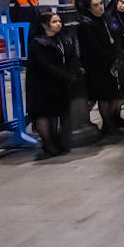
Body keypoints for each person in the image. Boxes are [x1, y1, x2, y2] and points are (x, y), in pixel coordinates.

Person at [27, 10, 81, 157]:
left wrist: (71, 71)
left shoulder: (61, 38)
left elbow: (71, 57)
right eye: (54, 22)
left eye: (59, 21)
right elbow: (45, 65)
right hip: (42, 84)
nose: (58, 24)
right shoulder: (38, 42)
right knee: (44, 113)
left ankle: (55, 141)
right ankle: (48, 143)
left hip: (59, 82)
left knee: (55, 113)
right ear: (45, 25)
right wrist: (64, 74)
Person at [78, 0, 124, 135]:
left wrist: (118, 56)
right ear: (89, 8)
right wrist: (111, 57)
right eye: (96, 5)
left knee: (116, 94)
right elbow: (94, 47)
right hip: (98, 65)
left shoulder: (107, 19)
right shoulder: (87, 24)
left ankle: (114, 119)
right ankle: (107, 123)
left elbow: (116, 39)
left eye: (101, 4)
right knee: (104, 96)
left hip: (113, 62)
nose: (100, 7)